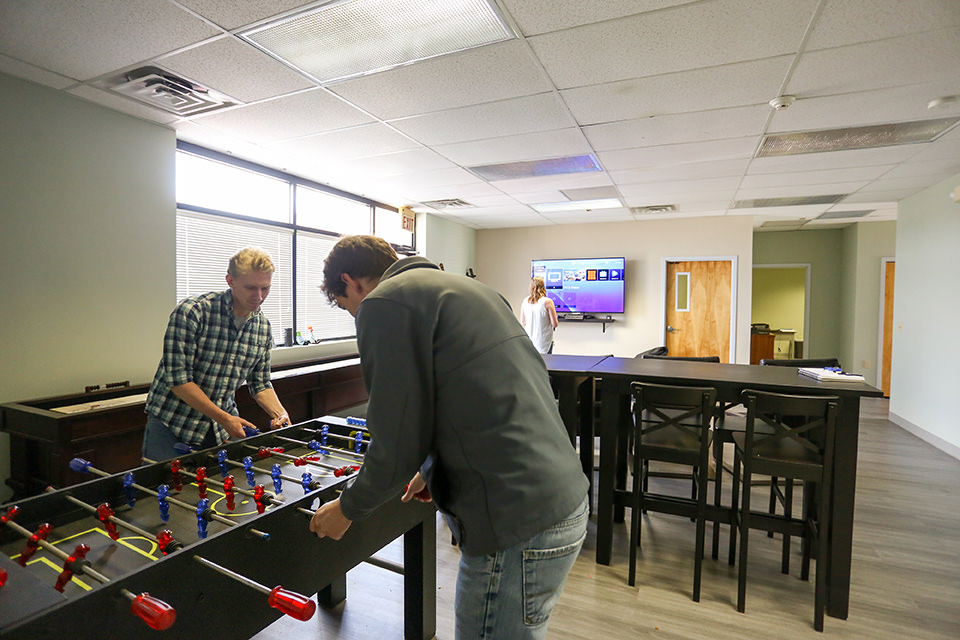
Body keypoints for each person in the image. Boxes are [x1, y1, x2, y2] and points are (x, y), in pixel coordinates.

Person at [309, 235, 589, 640]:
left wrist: (347, 509)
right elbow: (478, 395)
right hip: (561, 498)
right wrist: (433, 467)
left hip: (515, 520)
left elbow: (395, 438)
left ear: (350, 281)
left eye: (346, 305)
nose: (355, 313)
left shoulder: (383, 302)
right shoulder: (474, 290)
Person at [142, 247, 290, 460]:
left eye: (265, 288)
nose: (258, 297)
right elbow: (178, 380)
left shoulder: (263, 327)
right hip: (172, 425)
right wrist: (225, 418)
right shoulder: (193, 312)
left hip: (219, 429)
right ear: (230, 281)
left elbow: (260, 383)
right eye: (251, 288)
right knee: (162, 490)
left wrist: (281, 414)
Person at [520, 276, 559, 354]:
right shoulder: (548, 301)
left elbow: (523, 322)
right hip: (544, 342)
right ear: (543, 286)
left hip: (529, 341)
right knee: (546, 364)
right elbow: (554, 324)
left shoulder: (525, 301)